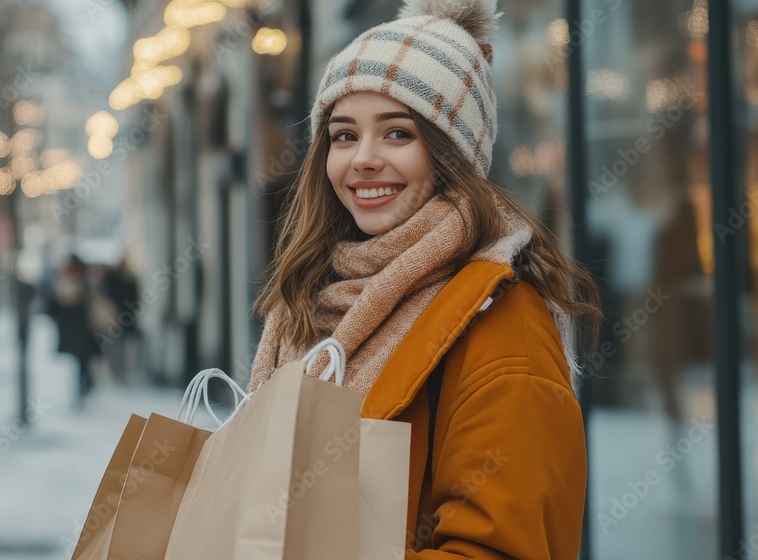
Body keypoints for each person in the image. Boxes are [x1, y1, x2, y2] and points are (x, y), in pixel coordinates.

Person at [247, 0, 602, 557]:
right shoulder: (311, 308)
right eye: (343, 135)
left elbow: (500, 549)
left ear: (451, 154)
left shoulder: (504, 325)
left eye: (397, 133)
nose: (362, 159)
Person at [45, 255, 100, 408]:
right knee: (81, 362)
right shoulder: (82, 284)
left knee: (82, 362)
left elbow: (50, 309)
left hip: (78, 331)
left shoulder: (63, 285)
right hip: (77, 331)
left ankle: (83, 388)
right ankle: (82, 389)